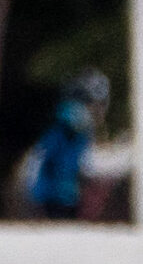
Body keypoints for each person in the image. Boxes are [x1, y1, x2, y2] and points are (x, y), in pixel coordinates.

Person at [26, 71, 105, 220]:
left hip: (60, 194)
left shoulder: (72, 127)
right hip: (56, 195)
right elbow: (63, 162)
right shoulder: (72, 126)